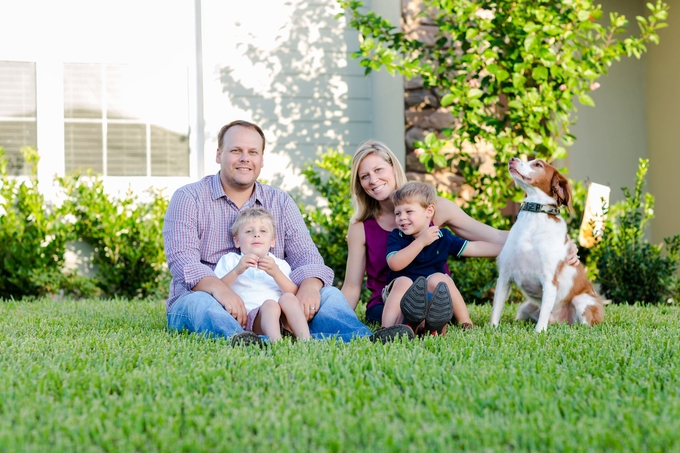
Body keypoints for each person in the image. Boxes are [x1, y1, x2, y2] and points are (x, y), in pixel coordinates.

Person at [164, 120, 410, 346]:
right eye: (235, 151)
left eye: (252, 152)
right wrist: (221, 290)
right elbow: (183, 262)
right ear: (219, 154)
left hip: (274, 303)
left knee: (329, 294)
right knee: (199, 304)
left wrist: (310, 288)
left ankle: (362, 339)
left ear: (261, 159)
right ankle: (242, 339)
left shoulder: (279, 201)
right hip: (209, 296)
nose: (244, 159)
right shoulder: (189, 198)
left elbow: (308, 257)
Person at [341, 140, 579, 327]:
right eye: (364, 176)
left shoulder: (435, 207)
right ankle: (416, 321)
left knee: (434, 298)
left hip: (436, 296)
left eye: (378, 169)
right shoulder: (361, 226)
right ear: (359, 183)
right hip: (388, 303)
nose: (373, 180)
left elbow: (493, 237)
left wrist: (557, 244)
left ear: (393, 168)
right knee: (402, 299)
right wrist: (338, 319)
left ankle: (428, 319)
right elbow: (352, 287)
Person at [382, 181, 502, 333]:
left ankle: (465, 323)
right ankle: (387, 328)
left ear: (429, 211)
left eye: (409, 212)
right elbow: (394, 264)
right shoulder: (396, 236)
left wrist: (507, 250)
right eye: (398, 213)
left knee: (440, 278)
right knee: (403, 282)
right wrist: (421, 242)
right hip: (400, 296)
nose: (402, 218)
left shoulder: (442, 236)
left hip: (431, 297)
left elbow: (474, 247)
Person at [214, 207, 310, 341]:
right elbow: (218, 290)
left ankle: (305, 340)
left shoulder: (279, 264)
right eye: (249, 231)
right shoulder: (231, 260)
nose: (256, 235)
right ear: (237, 241)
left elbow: (295, 294)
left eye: (263, 231)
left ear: (273, 241)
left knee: (288, 297)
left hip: (284, 319)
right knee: (270, 305)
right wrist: (237, 270)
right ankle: (276, 343)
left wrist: (276, 273)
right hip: (253, 320)